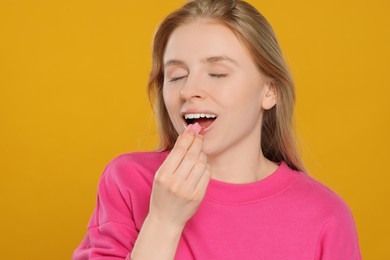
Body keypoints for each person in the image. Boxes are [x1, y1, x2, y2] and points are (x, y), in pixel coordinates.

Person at [73, 0, 361, 259]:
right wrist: (163, 221)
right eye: (176, 76)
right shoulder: (128, 181)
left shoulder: (326, 215)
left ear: (269, 92)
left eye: (217, 73)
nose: (189, 90)